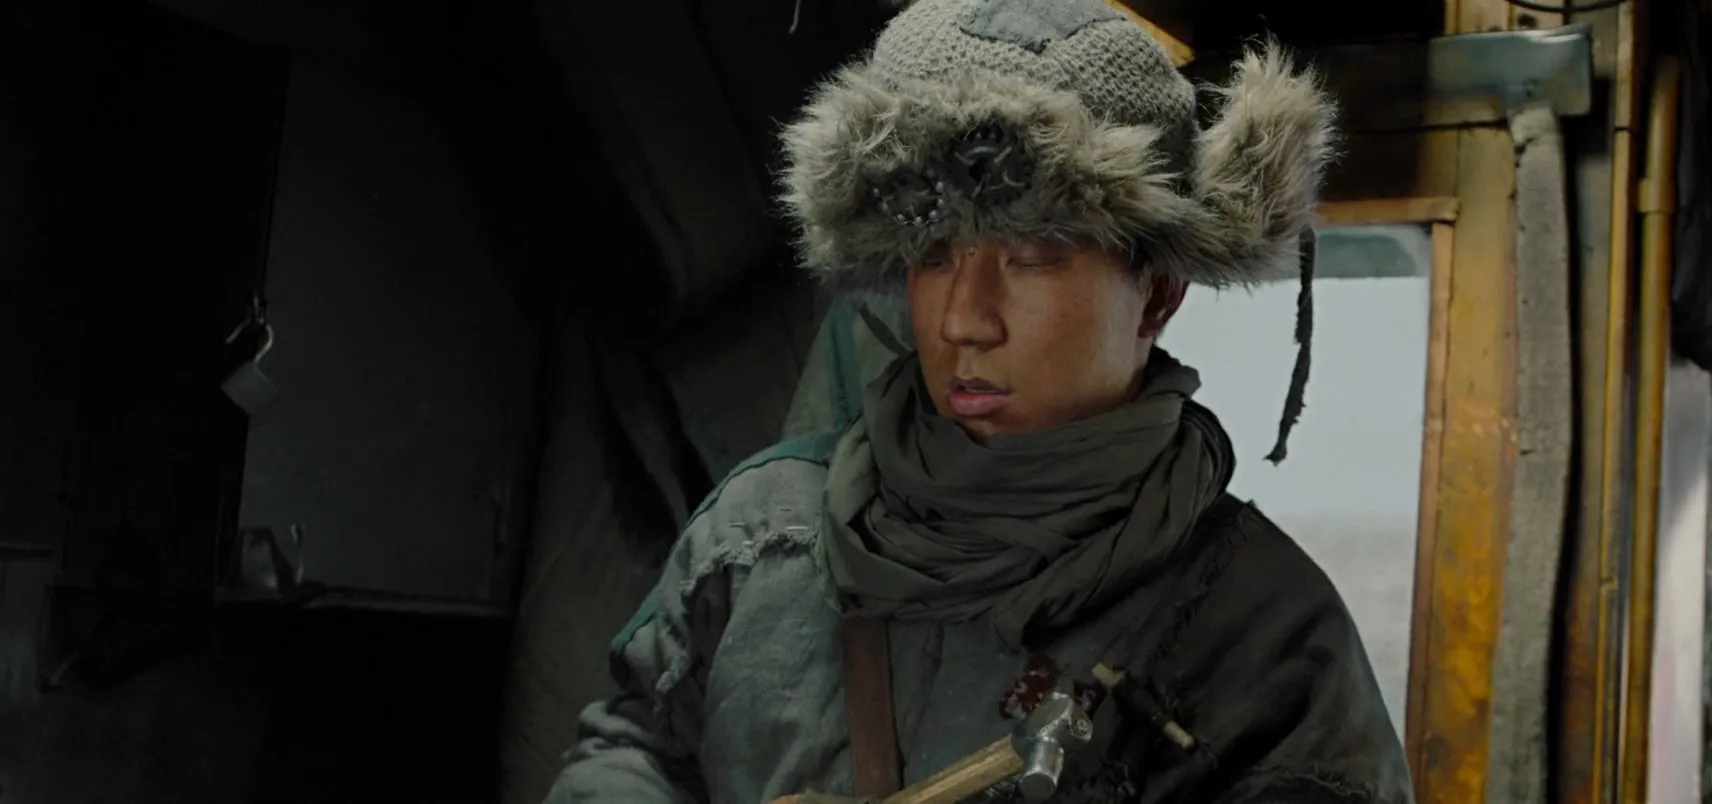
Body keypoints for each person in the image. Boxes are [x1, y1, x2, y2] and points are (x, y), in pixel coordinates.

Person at [545, 0, 1414, 801]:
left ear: (1155, 295)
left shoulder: (1272, 640)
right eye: (932, 255)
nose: (964, 318)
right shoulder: (754, 535)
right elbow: (633, 747)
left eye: (1032, 258)